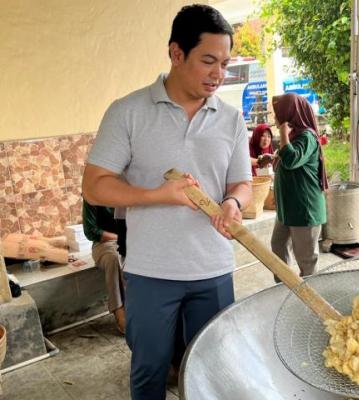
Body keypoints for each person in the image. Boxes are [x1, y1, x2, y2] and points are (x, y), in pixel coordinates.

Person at [81, 5, 252, 400]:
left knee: (213, 369)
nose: (218, 74)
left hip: (213, 268)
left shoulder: (229, 118)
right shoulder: (128, 112)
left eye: (224, 63)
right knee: (149, 370)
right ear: (176, 53)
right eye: (208, 61)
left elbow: (241, 182)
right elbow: (95, 186)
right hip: (150, 272)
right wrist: (158, 195)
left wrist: (233, 203)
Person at [270, 93, 327, 278]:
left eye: (278, 112)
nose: (275, 117)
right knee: (278, 246)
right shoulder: (295, 137)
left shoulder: (307, 137)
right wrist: (271, 158)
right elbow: (288, 159)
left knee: (306, 260)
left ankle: (308, 302)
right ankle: (284, 290)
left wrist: (283, 135)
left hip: (304, 209)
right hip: (288, 208)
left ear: (289, 113)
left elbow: (292, 160)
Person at [82, 200, 126, 334]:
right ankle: (120, 313)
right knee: (114, 258)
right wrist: (119, 238)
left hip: (132, 238)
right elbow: (91, 231)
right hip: (105, 243)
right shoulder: (93, 195)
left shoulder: (129, 188)